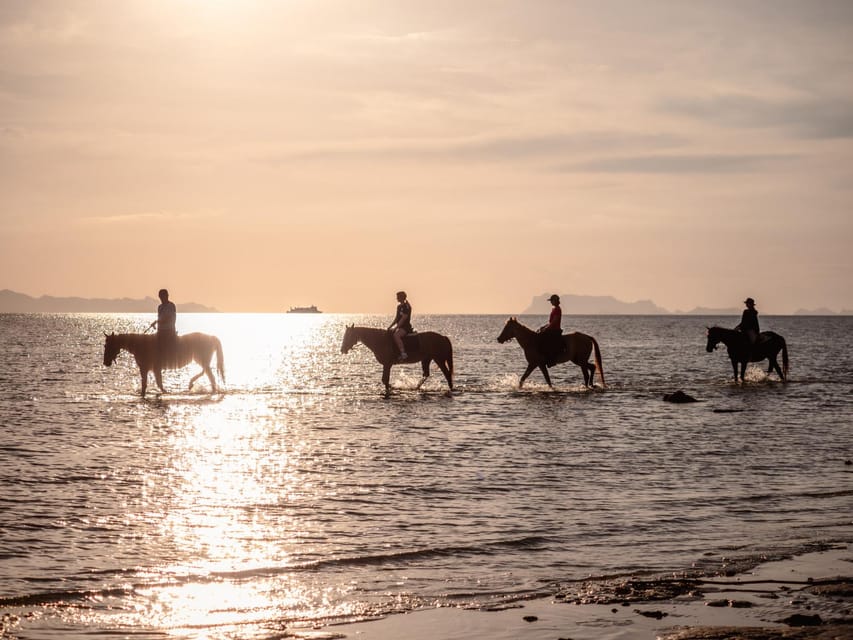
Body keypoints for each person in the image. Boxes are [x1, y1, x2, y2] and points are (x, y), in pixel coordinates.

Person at [149, 288, 177, 368]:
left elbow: (168, 318)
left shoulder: (171, 306)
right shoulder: (160, 307)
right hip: (160, 331)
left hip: (169, 331)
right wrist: (157, 323)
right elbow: (161, 318)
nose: (162, 298)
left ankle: (166, 360)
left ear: (167, 296)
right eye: (160, 297)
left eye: (163, 296)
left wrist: (157, 322)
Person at [537, 294, 564, 366]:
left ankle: (550, 359)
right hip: (552, 329)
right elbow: (550, 322)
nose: (550, 302)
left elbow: (554, 321)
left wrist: (546, 328)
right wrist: (543, 327)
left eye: (551, 300)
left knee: (544, 339)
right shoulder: (554, 309)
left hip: (555, 330)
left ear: (555, 301)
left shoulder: (557, 309)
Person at [387, 291, 413, 360]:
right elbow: (396, 318)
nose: (396, 298)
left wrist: (396, 328)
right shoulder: (399, 307)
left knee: (396, 335)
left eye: (398, 297)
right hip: (400, 327)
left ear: (401, 297)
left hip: (406, 327)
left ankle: (403, 353)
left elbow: (403, 319)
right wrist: (390, 326)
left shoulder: (406, 306)